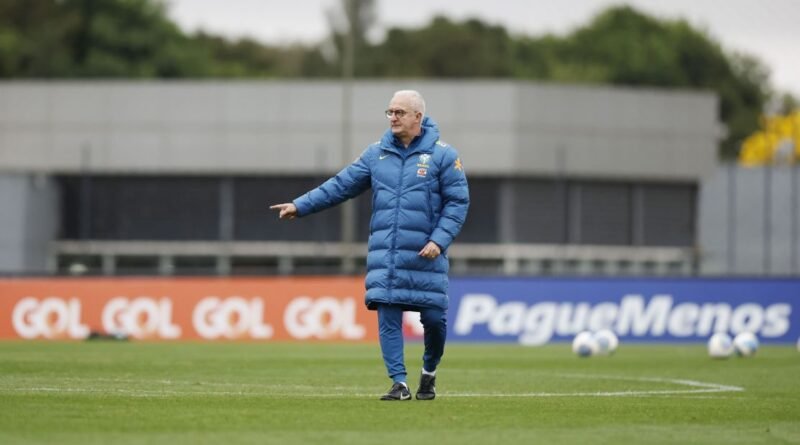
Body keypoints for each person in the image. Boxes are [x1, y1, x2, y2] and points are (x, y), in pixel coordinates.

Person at [270, 90, 469, 401]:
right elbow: (340, 185)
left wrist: (438, 241)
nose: (392, 117)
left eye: (399, 112)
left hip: (426, 255)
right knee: (388, 315)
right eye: (389, 112)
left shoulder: (444, 156)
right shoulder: (376, 154)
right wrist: (300, 205)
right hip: (386, 255)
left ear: (418, 116)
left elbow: (458, 203)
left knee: (433, 320)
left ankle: (429, 372)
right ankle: (399, 384)